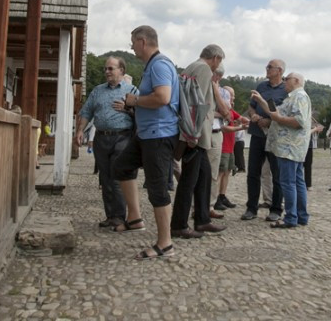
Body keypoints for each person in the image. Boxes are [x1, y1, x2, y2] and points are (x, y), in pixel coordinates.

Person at [112, 25, 178, 260]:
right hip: (146, 134)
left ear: (142, 41)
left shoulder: (159, 65)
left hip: (159, 135)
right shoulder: (152, 65)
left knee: (157, 188)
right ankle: (135, 218)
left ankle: (165, 244)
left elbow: (163, 97)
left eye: (133, 42)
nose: (131, 47)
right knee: (121, 166)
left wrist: (135, 101)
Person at [169, 44, 228, 239]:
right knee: (189, 181)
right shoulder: (203, 69)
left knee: (204, 177)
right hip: (196, 135)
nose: (217, 65)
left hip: (195, 134)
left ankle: (202, 219)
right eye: (219, 61)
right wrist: (192, 135)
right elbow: (196, 104)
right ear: (216, 58)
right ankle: (179, 225)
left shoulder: (191, 66)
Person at [72, 57, 137, 228]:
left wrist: (128, 109)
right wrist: (80, 130)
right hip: (101, 139)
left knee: (117, 176)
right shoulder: (97, 91)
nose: (107, 72)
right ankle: (110, 216)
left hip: (123, 137)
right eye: (105, 69)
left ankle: (119, 216)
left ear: (121, 70)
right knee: (105, 178)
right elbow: (87, 112)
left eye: (110, 68)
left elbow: (143, 113)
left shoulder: (132, 90)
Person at [252, 72, 311, 228]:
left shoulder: (299, 96)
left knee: (288, 182)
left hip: (289, 147)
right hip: (291, 147)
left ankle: (291, 218)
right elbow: (274, 112)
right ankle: (301, 216)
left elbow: (299, 121)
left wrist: (279, 119)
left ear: (296, 80)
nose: (284, 81)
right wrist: (261, 101)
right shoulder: (292, 97)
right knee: (297, 181)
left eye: (287, 79)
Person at [241, 59, 287, 222]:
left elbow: (285, 113)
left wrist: (270, 120)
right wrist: (253, 114)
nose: (266, 69)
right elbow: (251, 106)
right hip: (257, 134)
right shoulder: (261, 86)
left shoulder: (286, 89)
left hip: (275, 137)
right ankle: (251, 208)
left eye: (270, 67)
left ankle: (276, 209)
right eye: (267, 66)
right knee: (253, 172)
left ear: (279, 70)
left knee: (277, 174)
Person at [213, 70, 249, 210]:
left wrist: (246, 120)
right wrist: (240, 127)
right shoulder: (221, 111)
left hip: (230, 147)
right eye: (230, 96)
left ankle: (222, 195)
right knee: (220, 173)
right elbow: (223, 128)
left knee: (227, 171)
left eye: (232, 96)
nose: (232, 98)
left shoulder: (230, 111)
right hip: (223, 146)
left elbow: (240, 117)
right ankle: (215, 198)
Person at [303, 118, 324, 189]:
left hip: (308, 145)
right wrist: (315, 129)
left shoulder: (310, 119)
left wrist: (317, 129)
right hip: (300, 145)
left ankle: (308, 184)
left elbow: (318, 126)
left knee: (308, 165)